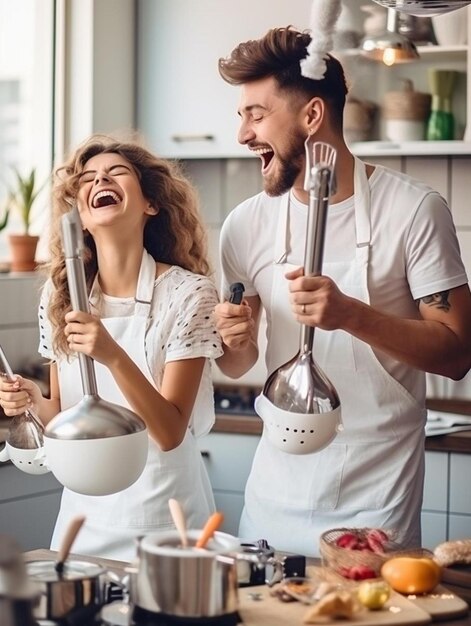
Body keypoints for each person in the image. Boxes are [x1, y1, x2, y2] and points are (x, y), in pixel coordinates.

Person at [214, 26, 471, 557]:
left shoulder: (415, 211)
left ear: (312, 116)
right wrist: (234, 339)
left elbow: (457, 354)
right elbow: (239, 364)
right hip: (272, 497)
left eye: (256, 115)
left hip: (376, 502)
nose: (242, 135)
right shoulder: (244, 225)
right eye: (241, 116)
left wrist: (351, 314)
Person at [0, 135, 222, 561]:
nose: (100, 178)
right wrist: (33, 399)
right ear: (82, 215)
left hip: (167, 518)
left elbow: (171, 431)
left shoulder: (189, 294)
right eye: (88, 178)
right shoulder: (58, 295)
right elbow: (63, 415)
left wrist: (113, 354)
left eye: (117, 172)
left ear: (151, 204)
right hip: (84, 520)